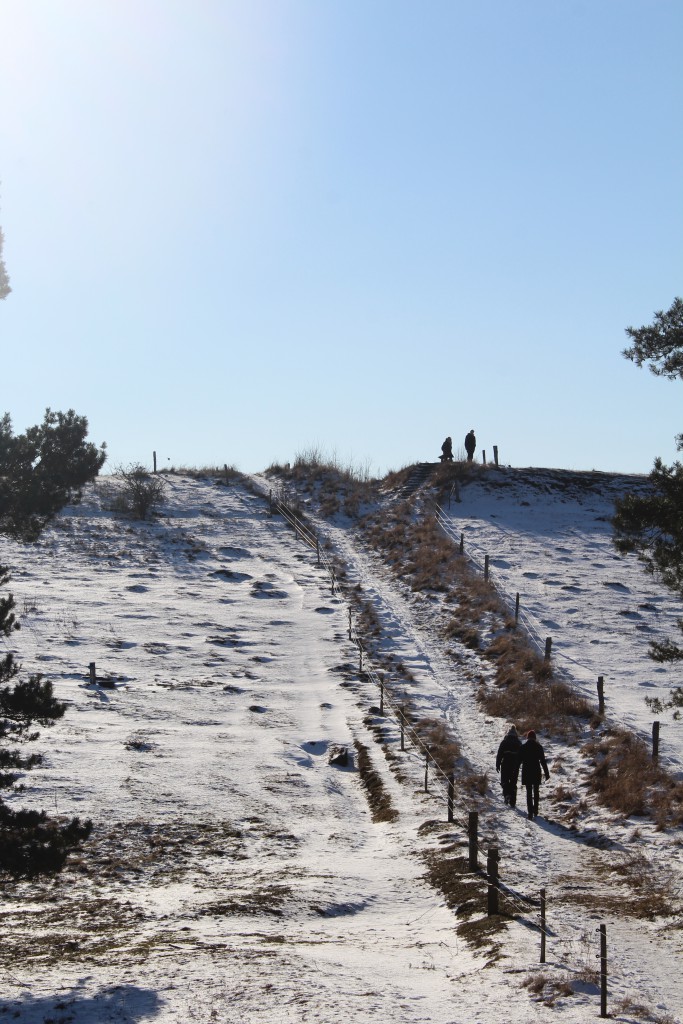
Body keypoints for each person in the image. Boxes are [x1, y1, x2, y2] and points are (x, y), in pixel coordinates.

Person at [519, 730, 550, 820]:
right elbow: (543, 761)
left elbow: (518, 761)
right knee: (536, 791)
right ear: (535, 738)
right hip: (536, 771)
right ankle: (535, 810)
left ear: (527, 737)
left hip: (527, 771)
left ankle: (530, 812)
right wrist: (547, 773)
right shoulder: (539, 747)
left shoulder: (523, 747)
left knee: (529, 792)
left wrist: (515, 771)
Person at [496, 725, 522, 807]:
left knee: (505, 781)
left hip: (505, 763)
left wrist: (497, 764)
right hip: (515, 765)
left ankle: (506, 795)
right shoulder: (518, 742)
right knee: (513, 783)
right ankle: (513, 802)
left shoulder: (504, 742)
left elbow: (499, 754)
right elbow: (522, 755)